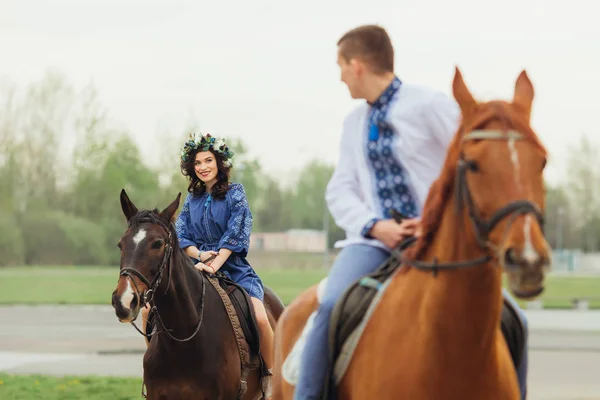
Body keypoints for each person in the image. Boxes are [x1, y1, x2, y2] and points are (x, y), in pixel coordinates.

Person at [293, 24, 529, 400]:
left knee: (517, 319)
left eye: (340, 67)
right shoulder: (352, 123)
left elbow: (468, 163)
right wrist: (375, 226)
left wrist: (436, 219)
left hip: (437, 241)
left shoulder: (430, 105)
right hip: (373, 243)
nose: (340, 78)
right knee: (332, 304)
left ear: (356, 66)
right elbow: (340, 190)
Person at [174, 132, 274, 398]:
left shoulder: (235, 194)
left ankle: (269, 378)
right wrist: (200, 256)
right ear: (191, 168)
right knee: (152, 311)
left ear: (219, 163)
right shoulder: (191, 200)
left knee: (261, 317)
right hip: (197, 268)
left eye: (208, 160)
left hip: (235, 270)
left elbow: (236, 233)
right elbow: (181, 235)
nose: (203, 167)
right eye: (197, 163)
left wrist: (215, 263)